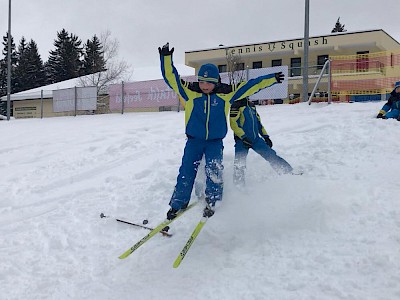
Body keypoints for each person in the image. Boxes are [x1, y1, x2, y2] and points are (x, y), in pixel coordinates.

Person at [158, 42, 285, 219]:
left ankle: (213, 201)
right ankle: (178, 203)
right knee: (186, 170)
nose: (204, 86)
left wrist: (271, 78)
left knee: (214, 170)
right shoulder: (190, 92)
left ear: (216, 82)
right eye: (201, 82)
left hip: (214, 142)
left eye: (208, 83)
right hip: (194, 141)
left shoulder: (226, 94)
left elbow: (249, 86)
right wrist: (165, 59)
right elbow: (172, 78)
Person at [230, 97, 293, 186]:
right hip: (242, 141)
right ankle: (238, 185)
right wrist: (243, 137)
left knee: (271, 155)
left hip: (256, 139)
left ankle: (288, 173)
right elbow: (233, 124)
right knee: (240, 164)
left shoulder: (252, 105)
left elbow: (258, 123)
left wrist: (266, 136)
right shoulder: (236, 105)